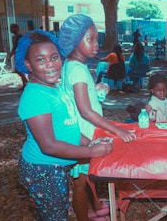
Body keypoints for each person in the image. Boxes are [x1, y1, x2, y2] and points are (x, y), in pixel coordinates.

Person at [16, 29, 113, 221]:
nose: (50, 65)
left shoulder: (55, 88)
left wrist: (88, 142)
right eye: (40, 60)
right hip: (42, 170)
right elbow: (49, 145)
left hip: (56, 168)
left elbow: (68, 126)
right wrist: (91, 153)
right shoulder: (36, 96)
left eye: (54, 57)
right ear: (28, 65)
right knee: (56, 215)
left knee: (58, 210)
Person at [58, 14, 136, 221]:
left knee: (85, 175)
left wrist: (95, 89)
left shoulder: (73, 65)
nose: (96, 44)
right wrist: (117, 129)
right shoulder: (77, 70)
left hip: (82, 130)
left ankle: (93, 209)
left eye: (96, 38)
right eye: (90, 39)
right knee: (80, 182)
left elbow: (79, 97)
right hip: (84, 133)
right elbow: (85, 110)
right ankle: (84, 217)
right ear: (74, 41)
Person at [7, 23, 29, 90]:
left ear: (17, 28)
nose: (11, 29)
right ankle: (24, 84)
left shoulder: (19, 36)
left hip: (21, 54)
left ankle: (27, 82)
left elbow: (15, 47)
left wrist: (10, 55)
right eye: (10, 28)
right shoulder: (14, 37)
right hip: (18, 54)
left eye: (12, 28)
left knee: (18, 70)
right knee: (19, 70)